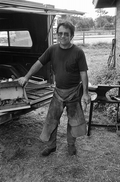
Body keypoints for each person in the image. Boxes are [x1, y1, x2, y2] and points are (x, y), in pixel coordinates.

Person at [18, 20, 91, 156]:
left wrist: (85, 93)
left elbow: (83, 73)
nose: (63, 36)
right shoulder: (52, 49)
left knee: (73, 121)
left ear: (72, 36)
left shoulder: (78, 52)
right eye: (60, 33)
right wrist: (26, 77)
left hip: (74, 92)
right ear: (57, 35)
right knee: (51, 120)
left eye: (66, 34)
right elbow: (39, 63)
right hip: (58, 92)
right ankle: (51, 146)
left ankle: (71, 145)